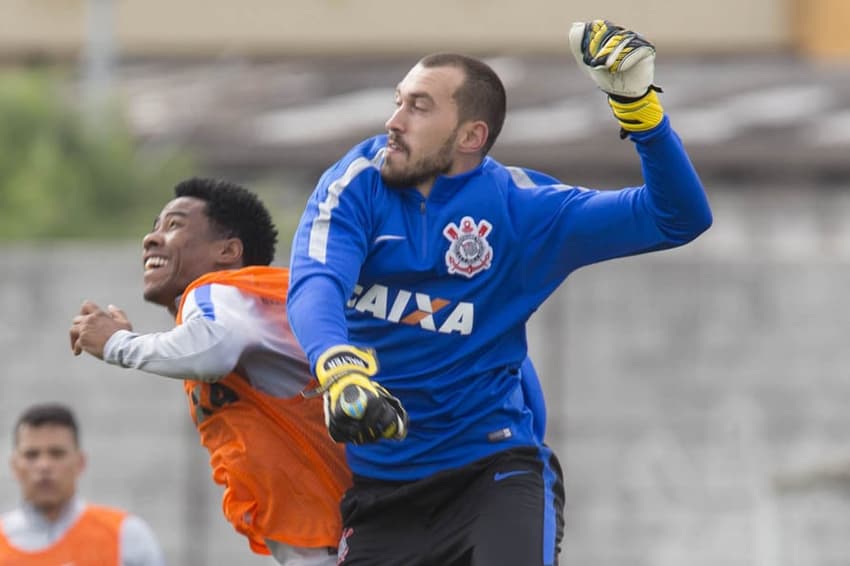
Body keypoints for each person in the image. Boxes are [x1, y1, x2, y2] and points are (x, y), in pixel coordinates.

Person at [286, 19, 713, 566]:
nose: (393, 122)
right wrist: (337, 365)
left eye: (418, 107)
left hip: (493, 474)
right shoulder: (355, 183)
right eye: (397, 102)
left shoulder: (524, 209)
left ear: (470, 136)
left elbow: (678, 217)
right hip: (384, 497)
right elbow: (316, 283)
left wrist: (642, 116)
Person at [69, 178, 350, 566]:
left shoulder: (216, 290)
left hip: (357, 534)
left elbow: (214, 346)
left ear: (227, 251)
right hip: (355, 529)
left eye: (174, 225)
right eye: (153, 226)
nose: (151, 239)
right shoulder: (244, 305)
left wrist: (118, 344)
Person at [0, 402, 166, 566]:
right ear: (14, 466)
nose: (44, 465)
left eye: (57, 454)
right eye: (32, 455)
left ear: (80, 463)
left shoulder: (126, 536)